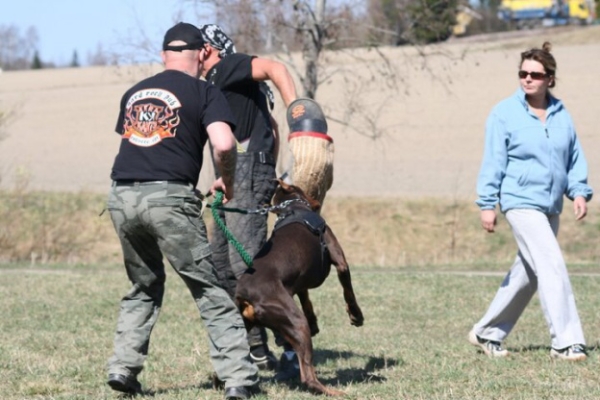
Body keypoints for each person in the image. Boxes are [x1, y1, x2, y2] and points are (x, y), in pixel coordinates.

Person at [106, 22, 258, 400]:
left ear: (163, 55)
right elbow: (224, 145)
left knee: (143, 285)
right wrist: (228, 180)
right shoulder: (205, 90)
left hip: (122, 196)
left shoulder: (135, 92)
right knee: (208, 288)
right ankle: (239, 377)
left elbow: (138, 141)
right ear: (202, 53)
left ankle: (123, 368)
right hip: (170, 199)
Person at [468, 42, 593, 361]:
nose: (527, 79)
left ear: (550, 78)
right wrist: (487, 203)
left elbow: (573, 156)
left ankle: (487, 332)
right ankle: (566, 342)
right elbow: (493, 161)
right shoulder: (505, 113)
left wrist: (578, 190)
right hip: (519, 201)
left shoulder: (561, 115)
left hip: (550, 205)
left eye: (535, 74)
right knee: (551, 263)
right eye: (522, 73)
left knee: (529, 273)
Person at [198, 24, 298, 371]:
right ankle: (255, 346)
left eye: (197, 49)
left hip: (246, 171)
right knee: (222, 265)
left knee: (248, 265)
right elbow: (268, 126)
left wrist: (297, 118)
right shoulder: (218, 86)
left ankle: (290, 342)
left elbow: (276, 68)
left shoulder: (225, 67)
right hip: (236, 174)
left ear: (208, 49)